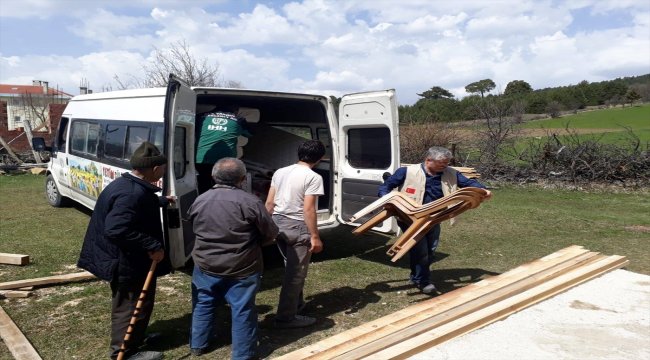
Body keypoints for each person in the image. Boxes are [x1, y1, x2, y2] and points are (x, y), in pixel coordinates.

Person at [77, 141, 173, 360]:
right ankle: (124, 352)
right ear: (156, 168)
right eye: (163, 168)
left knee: (139, 301)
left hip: (124, 258)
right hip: (125, 261)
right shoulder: (131, 193)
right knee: (129, 304)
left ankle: (135, 338)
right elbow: (117, 229)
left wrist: (161, 201)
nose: (164, 171)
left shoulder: (130, 186)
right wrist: (153, 245)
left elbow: (137, 206)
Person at [188, 158, 278, 358]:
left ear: (213, 176)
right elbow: (270, 233)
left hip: (205, 263)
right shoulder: (251, 202)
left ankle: (198, 344)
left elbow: (193, 227)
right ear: (243, 179)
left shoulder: (199, 200)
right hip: (242, 267)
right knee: (243, 309)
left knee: (203, 302)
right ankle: (243, 354)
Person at [378, 146, 492, 295]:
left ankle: (417, 275)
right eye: (441, 163)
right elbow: (385, 187)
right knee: (421, 250)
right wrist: (389, 201)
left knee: (430, 249)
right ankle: (423, 282)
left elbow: (470, 184)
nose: (445, 166)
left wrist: (483, 190)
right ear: (428, 160)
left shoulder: (451, 173)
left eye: (446, 162)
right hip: (410, 217)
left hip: (434, 217)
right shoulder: (407, 172)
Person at [265, 139, 326, 328]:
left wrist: (268, 226)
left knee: (290, 267)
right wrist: (315, 236)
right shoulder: (313, 177)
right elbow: (308, 209)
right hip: (297, 226)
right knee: (296, 274)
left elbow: (269, 203)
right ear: (320, 158)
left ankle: (296, 305)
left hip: (278, 222)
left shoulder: (280, 171)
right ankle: (286, 317)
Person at [195, 106, 252, 193]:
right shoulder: (238, 119)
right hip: (225, 162)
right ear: (235, 110)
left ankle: (205, 200)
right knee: (226, 185)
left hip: (202, 159)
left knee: (204, 184)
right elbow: (250, 134)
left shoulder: (201, 117)